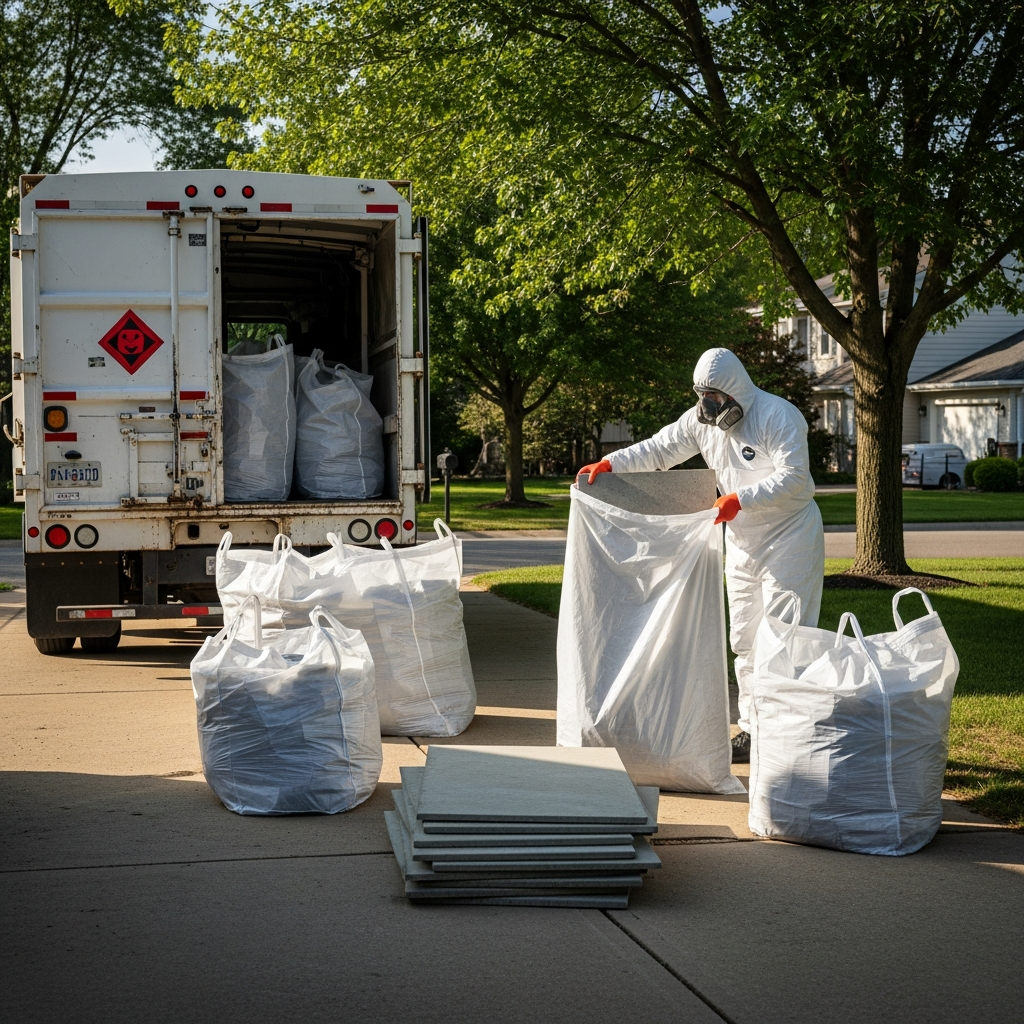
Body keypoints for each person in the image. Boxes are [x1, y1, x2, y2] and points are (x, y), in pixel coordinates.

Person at [578, 347, 824, 762]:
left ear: (735, 392)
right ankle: (752, 729)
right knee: (745, 638)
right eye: (703, 397)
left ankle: (789, 728)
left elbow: (796, 479)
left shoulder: (777, 415)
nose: (708, 407)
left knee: (786, 635)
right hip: (744, 541)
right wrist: (611, 463)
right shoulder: (700, 422)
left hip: (789, 537)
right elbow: (659, 449)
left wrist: (740, 499)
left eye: (715, 398)